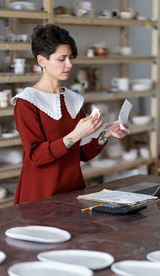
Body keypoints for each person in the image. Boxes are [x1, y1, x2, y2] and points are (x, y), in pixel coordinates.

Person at [11, 24, 128, 204]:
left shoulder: (73, 99)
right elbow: (35, 156)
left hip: (72, 191)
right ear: (42, 61)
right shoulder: (27, 102)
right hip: (40, 196)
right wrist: (76, 134)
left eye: (70, 58)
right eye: (62, 59)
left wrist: (105, 134)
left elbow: (80, 154)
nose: (69, 64)